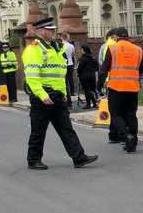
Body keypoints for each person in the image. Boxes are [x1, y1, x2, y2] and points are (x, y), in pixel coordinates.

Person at [22, 17, 98, 170]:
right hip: (42, 97)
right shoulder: (33, 49)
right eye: (50, 30)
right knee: (38, 130)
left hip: (56, 96)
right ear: (41, 31)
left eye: (53, 29)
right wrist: (42, 95)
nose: (53, 32)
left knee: (66, 128)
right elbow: (32, 76)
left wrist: (63, 93)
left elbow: (59, 74)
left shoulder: (55, 48)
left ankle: (79, 157)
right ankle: (33, 160)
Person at [99, 27, 143, 153]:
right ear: (127, 36)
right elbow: (142, 69)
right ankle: (133, 139)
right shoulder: (138, 50)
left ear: (117, 37)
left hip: (116, 87)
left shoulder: (113, 49)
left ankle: (126, 136)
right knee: (131, 114)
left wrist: (99, 85)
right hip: (133, 87)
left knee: (116, 114)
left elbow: (104, 69)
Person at [77, 44, 99, 109]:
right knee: (91, 90)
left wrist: (78, 73)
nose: (81, 51)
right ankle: (94, 103)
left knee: (87, 90)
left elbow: (79, 68)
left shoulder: (83, 58)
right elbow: (97, 67)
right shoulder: (92, 57)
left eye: (81, 49)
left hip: (84, 76)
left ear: (84, 50)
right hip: (92, 76)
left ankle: (88, 104)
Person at [60, 33, 76, 108]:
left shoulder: (60, 45)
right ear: (67, 37)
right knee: (70, 79)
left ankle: (67, 94)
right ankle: (72, 91)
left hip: (63, 64)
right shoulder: (71, 46)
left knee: (64, 81)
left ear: (62, 37)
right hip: (70, 63)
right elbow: (73, 55)